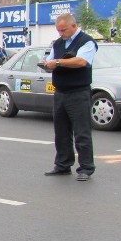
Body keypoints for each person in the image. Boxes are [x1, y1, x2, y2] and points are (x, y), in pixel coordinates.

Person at [40, 13, 97, 181]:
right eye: (58, 30)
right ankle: (63, 165)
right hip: (61, 92)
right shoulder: (58, 43)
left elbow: (81, 62)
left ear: (73, 26)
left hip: (79, 92)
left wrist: (57, 63)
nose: (61, 34)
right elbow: (50, 60)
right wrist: (46, 65)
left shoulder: (86, 41)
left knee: (82, 132)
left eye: (63, 30)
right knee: (61, 132)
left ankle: (86, 167)